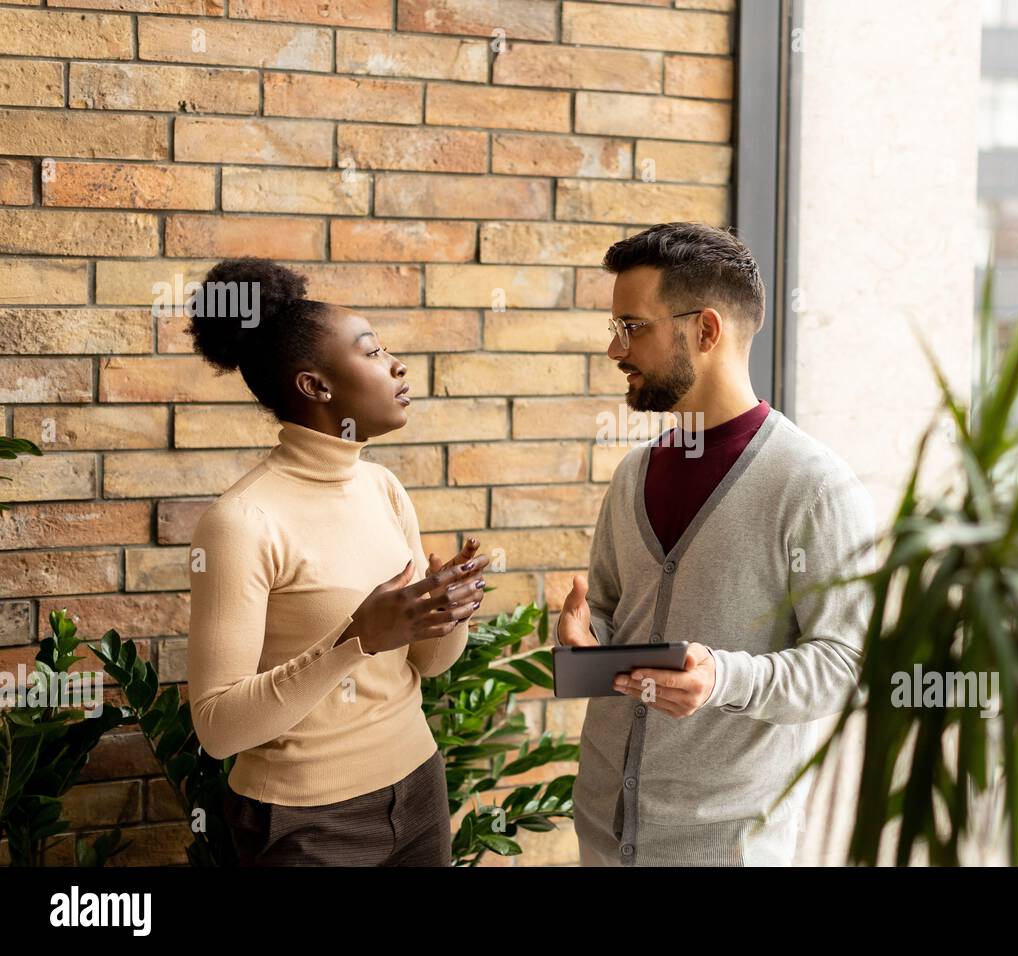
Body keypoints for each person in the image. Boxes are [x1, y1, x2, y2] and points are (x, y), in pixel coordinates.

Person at [557, 222, 876, 866]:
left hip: (725, 848)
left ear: (705, 330)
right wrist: (584, 631)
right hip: (603, 835)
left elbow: (845, 665)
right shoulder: (634, 474)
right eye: (614, 328)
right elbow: (612, 605)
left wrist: (724, 677)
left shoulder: (813, 487)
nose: (616, 350)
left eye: (633, 327)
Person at [184, 258, 489, 866]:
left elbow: (429, 666)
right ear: (316, 387)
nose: (397, 365)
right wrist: (356, 640)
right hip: (306, 823)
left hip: (419, 787)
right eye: (372, 352)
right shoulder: (241, 522)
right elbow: (217, 729)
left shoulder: (382, 488)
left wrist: (447, 613)